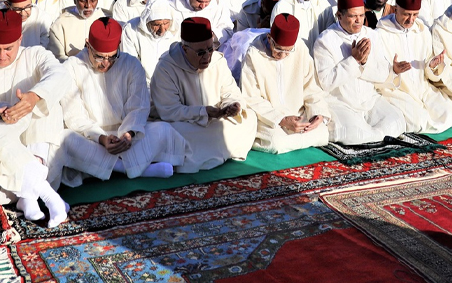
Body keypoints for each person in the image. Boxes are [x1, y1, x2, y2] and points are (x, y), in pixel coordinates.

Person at [0, 9, 70, 227]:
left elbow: (60, 75)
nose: (2, 56)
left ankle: (26, 198)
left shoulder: (36, 54)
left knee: (48, 109)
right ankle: (47, 195)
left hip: (31, 137)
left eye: (8, 49)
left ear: (20, 40)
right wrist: (2, 111)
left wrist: (33, 97)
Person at [59, 18, 188, 185]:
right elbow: (74, 116)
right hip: (91, 138)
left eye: (112, 57)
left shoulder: (131, 64)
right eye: (99, 57)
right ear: (87, 45)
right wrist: (101, 138)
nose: (106, 63)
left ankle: (102, 168)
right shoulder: (71, 67)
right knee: (65, 139)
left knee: (163, 129)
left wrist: (129, 134)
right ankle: (130, 168)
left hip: (126, 136)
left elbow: (139, 107)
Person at [149, 17, 257, 171]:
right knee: (165, 133)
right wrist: (203, 112)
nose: (207, 56)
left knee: (250, 118)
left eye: (210, 49)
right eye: (200, 52)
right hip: (184, 124)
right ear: (185, 49)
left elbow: (231, 91)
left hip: (215, 120)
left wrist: (231, 106)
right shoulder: (166, 67)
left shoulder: (218, 61)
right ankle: (219, 150)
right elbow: (169, 111)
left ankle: (211, 151)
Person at [311, 0, 408, 143]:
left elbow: (382, 73)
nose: (358, 21)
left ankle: (373, 136)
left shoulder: (372, 35)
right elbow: (326, 82)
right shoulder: (325, 40)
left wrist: (363, 63)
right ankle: (376, 136)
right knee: (356, 135)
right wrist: (354, 61)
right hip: (341, 103)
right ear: (339, 15)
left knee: (398, 122)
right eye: (352, 16)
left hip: (369, 100)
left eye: (362, 15)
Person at [239, 14, 334, 153]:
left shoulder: (300, 48)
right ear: (270, 39)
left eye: (288, 51)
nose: (282, 56)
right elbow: (251, 97)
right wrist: (281, 119)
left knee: (323, 132)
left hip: (297, 113)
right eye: (279, 50)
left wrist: (317, 112)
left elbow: (310, 87)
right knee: (276, 142)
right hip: (268, 118)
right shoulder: (254, 53)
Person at [370, 0, 452, 132]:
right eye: (406, 14)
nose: (411, 20)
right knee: (419, 122)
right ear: (396, 9)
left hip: (422, 88)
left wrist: (432, 65)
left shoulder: (422, 31)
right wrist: (393, 71)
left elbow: (428, 70)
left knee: (450, 114)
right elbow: (375, 73)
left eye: (415, 15)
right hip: (397, 91)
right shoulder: (381, 34)